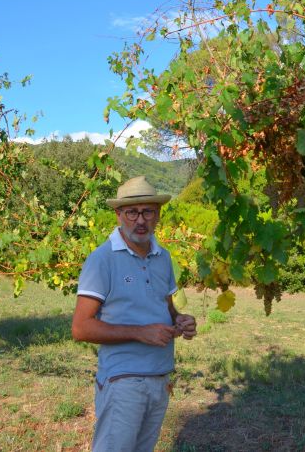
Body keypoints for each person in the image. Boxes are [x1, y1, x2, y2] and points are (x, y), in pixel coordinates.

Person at [72, 175, 197, 452]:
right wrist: (140, 333)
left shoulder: (163, 258)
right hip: (123, 381)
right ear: (119, 215)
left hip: (160, 377)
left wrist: (181, 320)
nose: (140, 220)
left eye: (148, 211)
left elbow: (166, 307)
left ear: (158, 215)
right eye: (132, 212)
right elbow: (80, 328)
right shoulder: (102, 260)